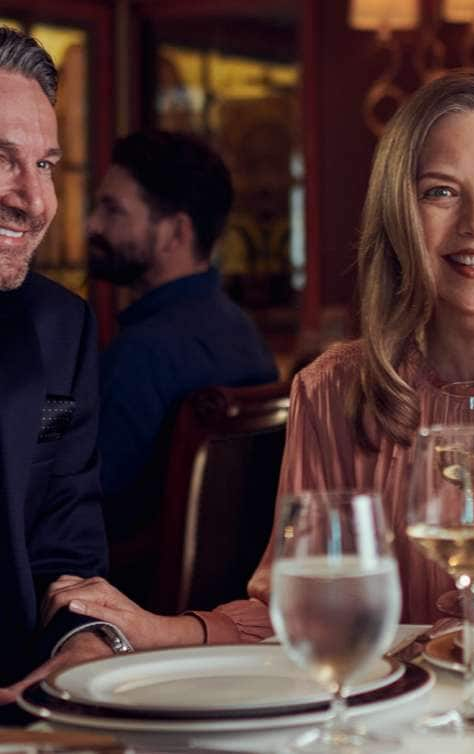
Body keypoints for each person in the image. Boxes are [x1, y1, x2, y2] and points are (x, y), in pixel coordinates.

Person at [43, 70, 474, 646]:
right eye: (440, 192)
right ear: (398, 215)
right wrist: (152, 628)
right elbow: (299, 613)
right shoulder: (333, 389)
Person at [87, 130, 278, 602]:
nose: (91, 225)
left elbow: (80, 507)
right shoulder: (243, 333)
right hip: (225, 605)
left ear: (176, 232)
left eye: (113, 211)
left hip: (131, 606)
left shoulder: (141, 353)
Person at [0, 26, 124, 713]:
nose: (35, 199)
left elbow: (66, 556)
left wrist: (86, 642)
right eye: (1, 157)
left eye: (45, 164)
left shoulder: (61, 329)